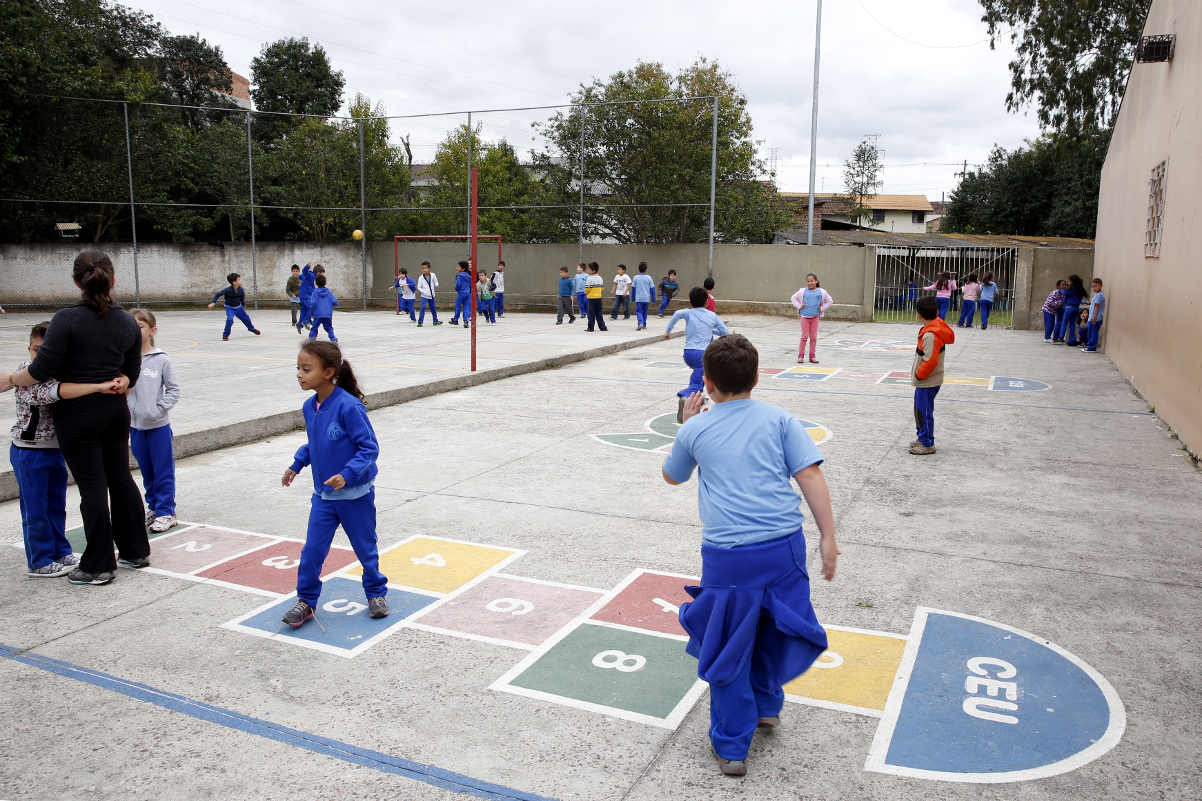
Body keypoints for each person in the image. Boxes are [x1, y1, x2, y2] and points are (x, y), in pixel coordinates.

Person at [662, 334, 839, 777]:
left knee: (726, 645)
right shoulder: (781, 419)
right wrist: (828, 537)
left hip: (729, 559)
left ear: (707, 382)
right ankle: (767, 706)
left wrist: (683, 425)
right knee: (770, 628)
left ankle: (733, 743)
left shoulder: (696, 427)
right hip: (784, 550)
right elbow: (810, 476)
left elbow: (673, 477)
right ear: (757, 377)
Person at [2, 251, 148, 585]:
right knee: (120, 477)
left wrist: (10, 379)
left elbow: (40, 371)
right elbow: (131, 374)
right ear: (112, 280)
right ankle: (135, 550)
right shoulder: (126, 320)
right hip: (114, 411)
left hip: (79, 415)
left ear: (76, 281)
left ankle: (98, 564)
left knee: (93, 486)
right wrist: (120, 381)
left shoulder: (67, 320)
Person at [281, 341, 389, 627]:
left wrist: (347, 474)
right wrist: (297, 463)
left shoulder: (349, 407)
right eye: (298, 368)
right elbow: (314, 444)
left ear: (328, 372)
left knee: (366, 549)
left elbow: (369, 448)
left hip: (355, 497)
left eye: (306, 369)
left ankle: (376, 593)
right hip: (324, 498)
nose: (299, 374)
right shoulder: (310, 406)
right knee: (312, 552)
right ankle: (306, 600)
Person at [3, 322, 116, 577]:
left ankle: (60, 550)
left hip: (54, 448)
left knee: (56, 504)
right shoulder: (26, 374)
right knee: (36, 508)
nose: (39, 356)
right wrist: (98, 386)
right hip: (29, 451)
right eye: (35, 350)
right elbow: (56, 393)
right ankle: (39, 561)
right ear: (28, 349)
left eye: (46, 351)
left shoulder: (58, 371)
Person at [128, 309, 182, 533]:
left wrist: (158, 409)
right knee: (146, 471)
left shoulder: (161, 360)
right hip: (135, 427)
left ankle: (166, 512)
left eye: (140, 326)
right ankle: (154, 507)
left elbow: (174, 390)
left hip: (158, 427)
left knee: (162, 471)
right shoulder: (124, 359)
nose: (135, 330)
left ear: (152, 330)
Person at [664, 287, 730, 423]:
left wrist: (668, 331)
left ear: (690, 302)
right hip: (703, 354)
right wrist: (711, 331)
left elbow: (676, 314)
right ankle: (687, 397)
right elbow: (725, 331)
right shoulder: (711, 315)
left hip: (688, 353)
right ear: (707, 302)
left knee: (703, 375)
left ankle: (697, 398)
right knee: (698, 382)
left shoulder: (688, 313)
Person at [910, 295, 954, 456]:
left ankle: (927, 442)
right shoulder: (933, 328)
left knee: (924, 412)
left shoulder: (931, 335)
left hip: (927, 381)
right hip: (925, 381)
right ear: (936, 312)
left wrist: (920, 375)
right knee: (918, 410)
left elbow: (931, 360)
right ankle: (922, 437)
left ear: (918, 315)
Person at [789, 273, 833, 364]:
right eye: (808, 281)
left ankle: (812, 356)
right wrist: (799, 305)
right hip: (804, 317)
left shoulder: (822, 292)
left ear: (816, 281)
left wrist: (822, 308)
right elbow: (793, 298)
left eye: (812, 281)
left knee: (813, 337)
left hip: (815, 317)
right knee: (804, 336)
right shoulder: (802, 291)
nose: (810, 283)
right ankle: (801, 355)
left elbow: (830, 301)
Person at [208, 273, 262, 341]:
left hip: (238, 307)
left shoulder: (241, 290)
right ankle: (225, 335)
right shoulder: (227, 290)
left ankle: (252, 329)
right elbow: (218, 294)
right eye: (239, 280)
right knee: (230, 320)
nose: (241, 281)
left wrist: (243, 304)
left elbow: (242, 297)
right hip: (229, 308)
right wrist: (213, 303)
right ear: (234, 282)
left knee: (246, 318)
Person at [1057, 274, 1088, 344]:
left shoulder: (1073, 289)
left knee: (1064, 323)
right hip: (1076, 308)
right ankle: (1071, 338)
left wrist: (1061, 290)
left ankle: (1061, 337)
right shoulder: (1079, 289)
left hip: (1069, 308)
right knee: (1072, 324)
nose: (1068, 283)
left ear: (1073, 282)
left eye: (1069, 281)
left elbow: (1065, 292)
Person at [309, 274, 339, 342]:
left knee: (314, 327)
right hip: (327, 314)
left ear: (315, 283)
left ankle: (312, 339)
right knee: (328, 327)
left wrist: (311, 312)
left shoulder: (315, 293)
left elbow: (313, 303)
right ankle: (333, 338)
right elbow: (335, 302)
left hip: (318, 313)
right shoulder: (329, 292)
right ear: (326, 283)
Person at [630, 262, 657, 331]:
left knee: (639, 311)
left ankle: (640, 323)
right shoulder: (649, 278)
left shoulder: (635, 278)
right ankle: (644, 324)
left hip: (639, 299)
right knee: (645, 312)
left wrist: (633, 298)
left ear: (639, 269)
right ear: (646, 270)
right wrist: (653, 299)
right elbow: (652, 289)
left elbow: (633, 289)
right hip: (646, 298)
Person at [296, 263, 320, 332]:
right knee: (310, 307)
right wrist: (307, 266)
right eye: (321, 274)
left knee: (304, 310)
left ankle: (300, 324)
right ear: (318, 273)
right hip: (306, 295)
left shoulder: (308, 276)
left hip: (303, 295)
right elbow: (305, 272)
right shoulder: (310, 275)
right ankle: (306, 321)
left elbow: (300, 276)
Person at [417, 261, 442, 327]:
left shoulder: (433, 275)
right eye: (423, 268)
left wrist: (436, 284)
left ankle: (435, 320)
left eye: (425, 268)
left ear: (429, 269)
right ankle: (420, 321)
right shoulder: (421, 278)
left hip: (431, 295)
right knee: (423, 307)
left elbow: (436, 281)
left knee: (433, 308)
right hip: (424, 296)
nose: (424, 270)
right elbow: (418, 287)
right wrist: (423, 291)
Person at [584, 263, 608, 332]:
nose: (588, 271)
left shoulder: (589, 278)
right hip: (598, 297)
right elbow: (602, 288)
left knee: (591, 313)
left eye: (589, 269)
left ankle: (590, 327)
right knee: (599, 313)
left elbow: (587, 288)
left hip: (591, 298)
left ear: (593, 271)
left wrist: (586, 292)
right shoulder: (600, 278)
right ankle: (602, 327)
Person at [1083, 278, 1105, 352]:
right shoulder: (1097, 295)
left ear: (1101, 286)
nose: (1094, 288)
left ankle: (1092, 347)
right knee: (1091, 332)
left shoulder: (1099, 295)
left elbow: (1097, 306)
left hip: (1095, 318)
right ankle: (1090, 346)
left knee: (1093, 333)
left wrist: (1094, 317)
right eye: (1093, 286)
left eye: (1096, 286)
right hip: (1092, 318)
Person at [450, 261, 473, 328]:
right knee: (466, 307)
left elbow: (458, 284)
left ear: (463, 269)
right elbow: (470, 284)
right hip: (468, 293)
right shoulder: (469, 276)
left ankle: (455, 319)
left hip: (461, 293)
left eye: (459, 267)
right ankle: (466, 321)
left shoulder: (459, 276)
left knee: (458, 307)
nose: (457, 268)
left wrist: (457, 289)